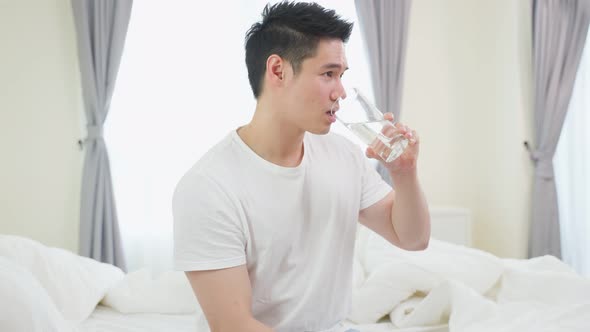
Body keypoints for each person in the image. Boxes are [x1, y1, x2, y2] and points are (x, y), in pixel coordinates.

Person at [172, 2, 430, 331]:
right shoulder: (209, 187)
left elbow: (413, 238)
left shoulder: (343, 156)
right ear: (278, 70)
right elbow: (233, 325)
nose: (340, 92)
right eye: (328, 74)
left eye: (341, 76)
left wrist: (404, 175)